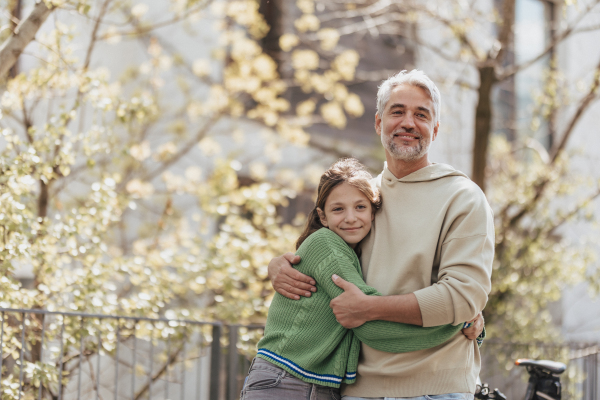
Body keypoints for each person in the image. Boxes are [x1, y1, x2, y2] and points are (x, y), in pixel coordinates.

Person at [268, 70, 494, 399]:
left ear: (435, 128)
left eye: (421, 114)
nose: (408, 123)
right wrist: (279, 265)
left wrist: (372, 308)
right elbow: (321, 256)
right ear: (378, 123)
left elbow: (463, 296)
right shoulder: (359, 201)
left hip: (436, 390)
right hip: (358, 388)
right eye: (397, 111)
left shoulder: (463, 197)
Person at [241, 158, 469, 400]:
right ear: (323, 216)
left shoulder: (355, 254)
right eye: (338, 209)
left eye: (360, 207)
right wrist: (456, 322)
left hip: (314, 385)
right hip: (286, 382)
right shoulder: (327, 244)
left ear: (373, 212)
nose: (350, 218)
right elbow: (370, 325)